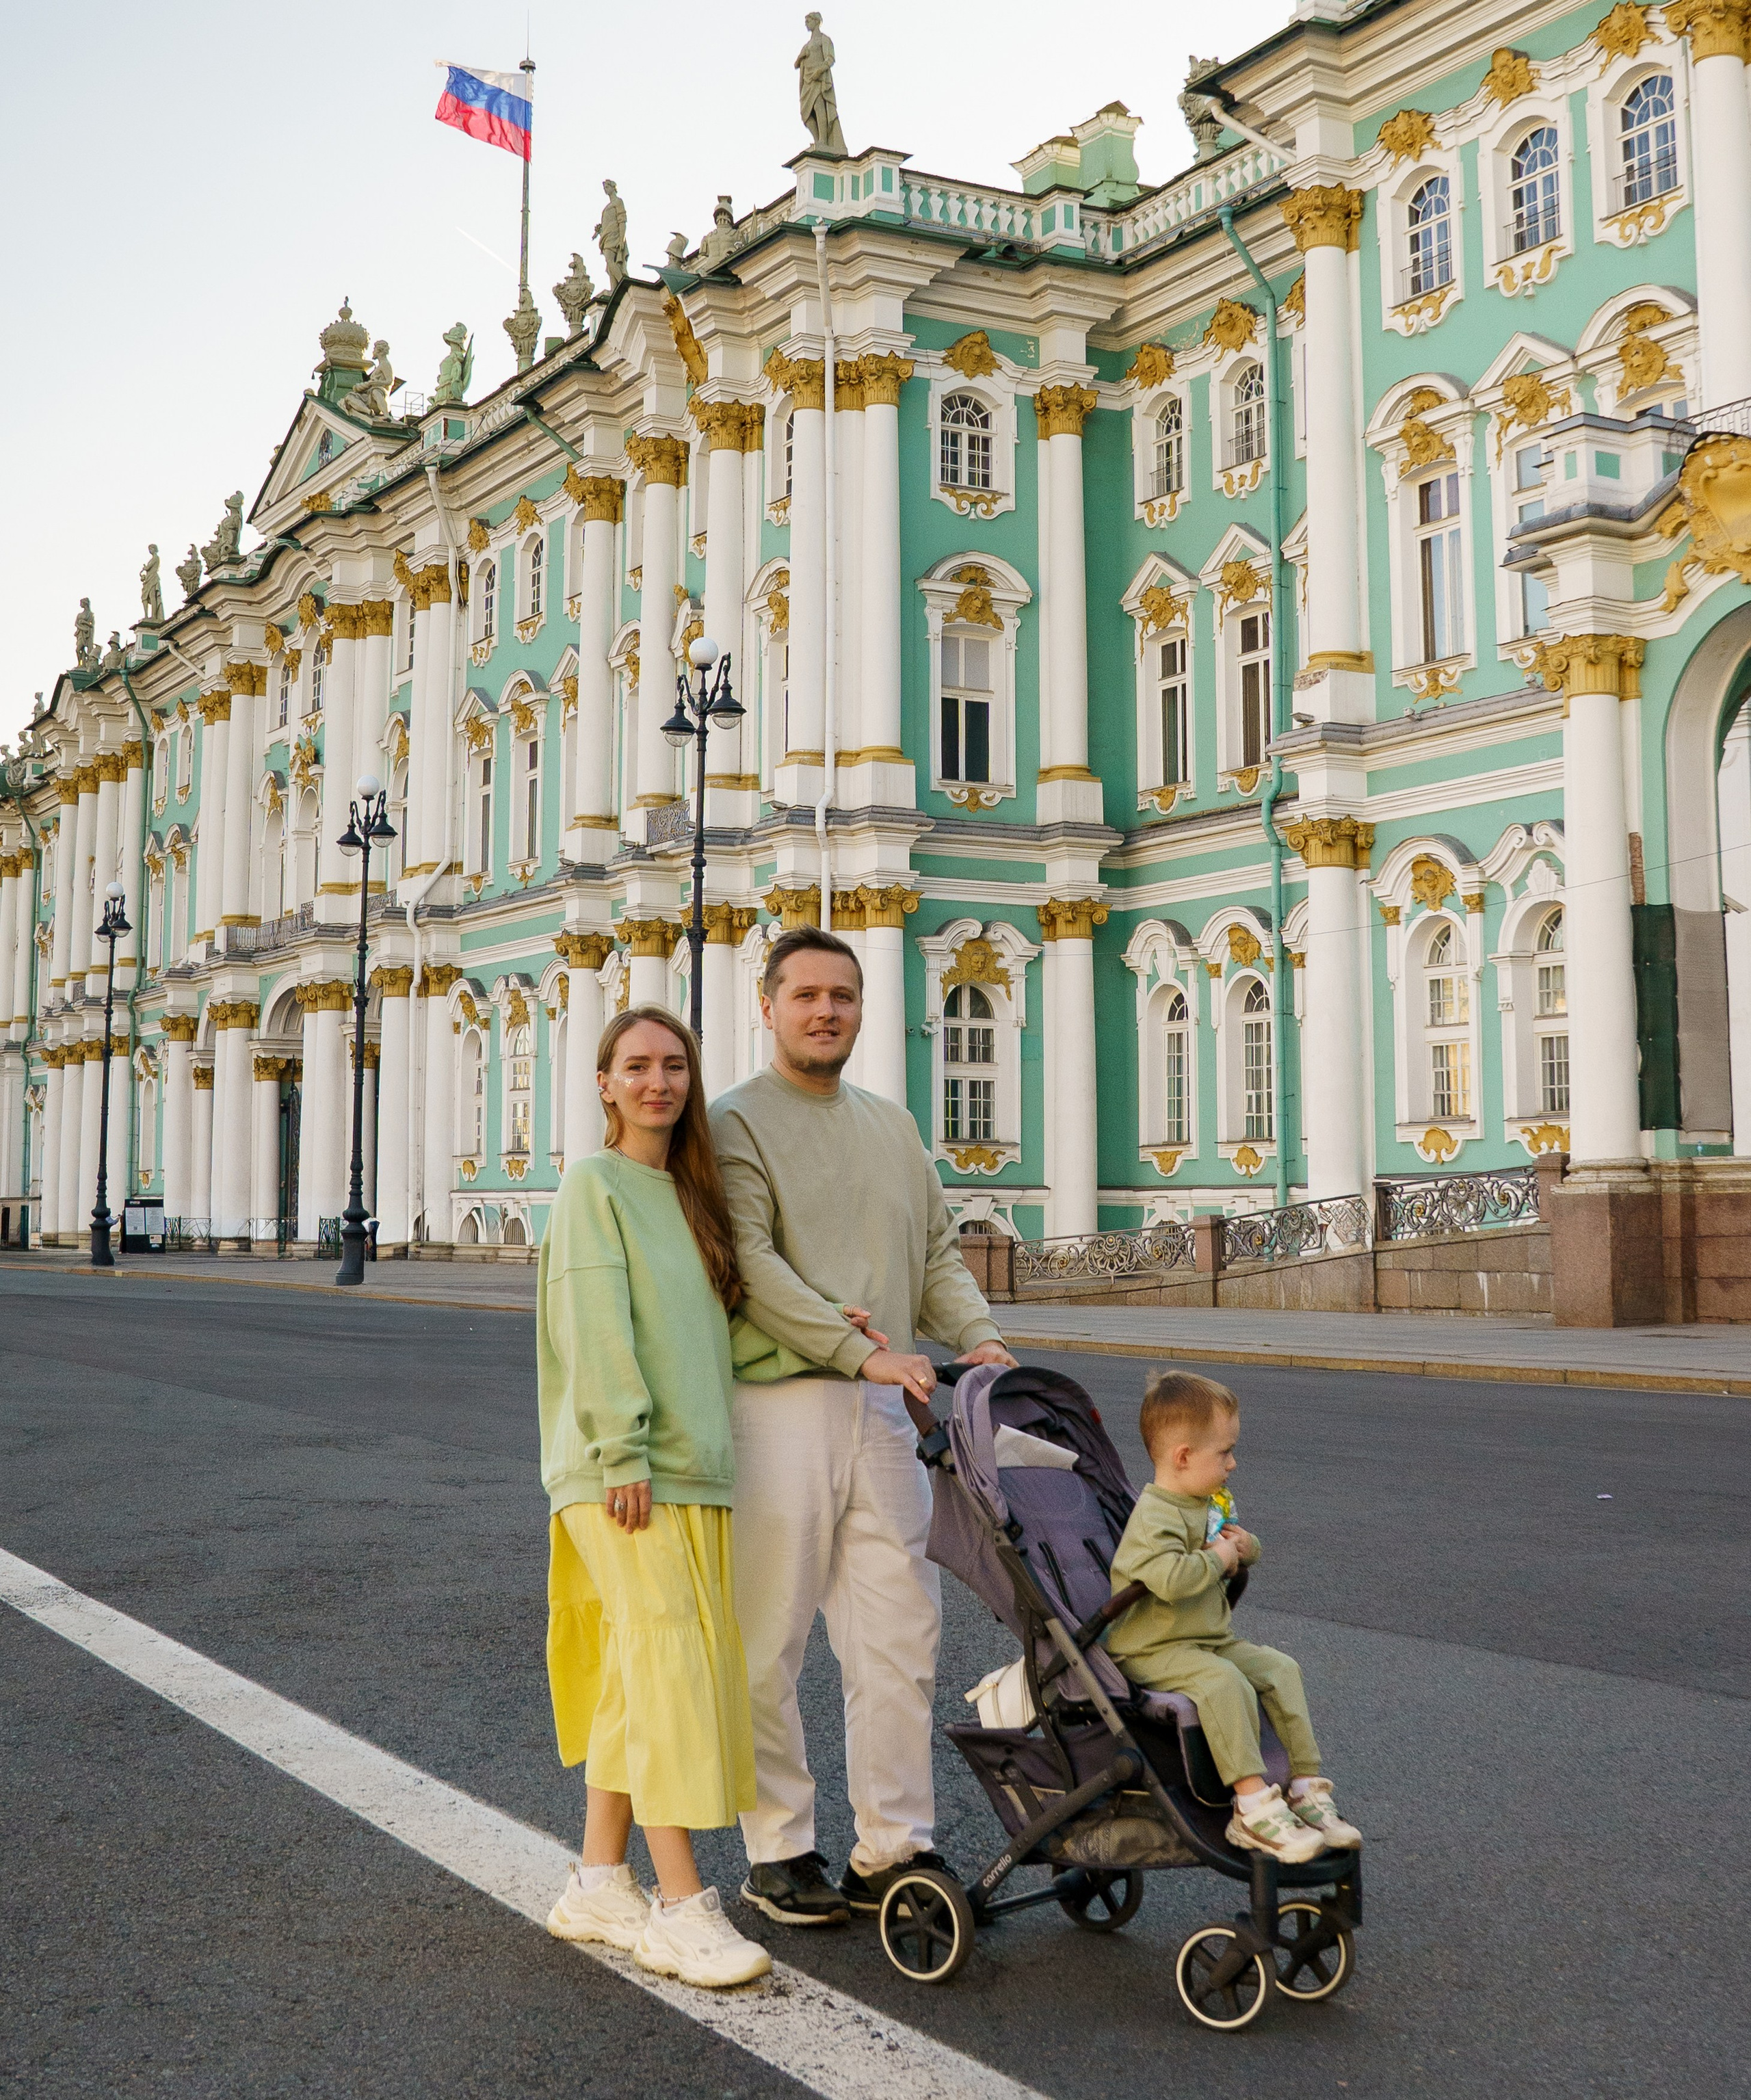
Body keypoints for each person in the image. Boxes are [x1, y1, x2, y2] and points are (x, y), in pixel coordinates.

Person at [709, 924, 1017, 1926]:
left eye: (842, 995)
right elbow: (753, 1269)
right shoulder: (733, 1126)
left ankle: (892, 1845)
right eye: (805, 994)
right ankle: (780, 1847)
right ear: (768, 1005)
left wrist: (980, 1341)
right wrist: (859, 1351)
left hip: (889, 1408)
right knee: (770, 1640)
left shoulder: (892, 1126)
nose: (826, 1010)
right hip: (780, 1406)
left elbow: (936, 1257)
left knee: (900, 1633)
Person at [537, 1006, 772, 1989]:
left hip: (692, 1470)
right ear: (604, 1083)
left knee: (644, 1672)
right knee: (672, 1669)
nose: (657, 1081)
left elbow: (714, 1339)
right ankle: (680, 1903)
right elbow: (597, 1328)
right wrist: (622, 1450)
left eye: (675, 1065)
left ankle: (599, 1878)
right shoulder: (594, 1186)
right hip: (624, 1470)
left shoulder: (689, 1195)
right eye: (636, 1065)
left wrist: (841, 1343)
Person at [1104, 1371, 1363, 1863]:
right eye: (1223, 1453)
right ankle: (1250, 1806)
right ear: (1183, 1457)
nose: (1233, 1462)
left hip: (1202, 1638)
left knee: (1279, 1669)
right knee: (1224, 1684)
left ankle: (1304, 1787)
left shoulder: (1205, 1503)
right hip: (1151, 1648)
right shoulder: (1154, 1516)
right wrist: (1219, 1560)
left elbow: (1239, 1546)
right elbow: (1169, 1578)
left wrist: (1245, 1547)